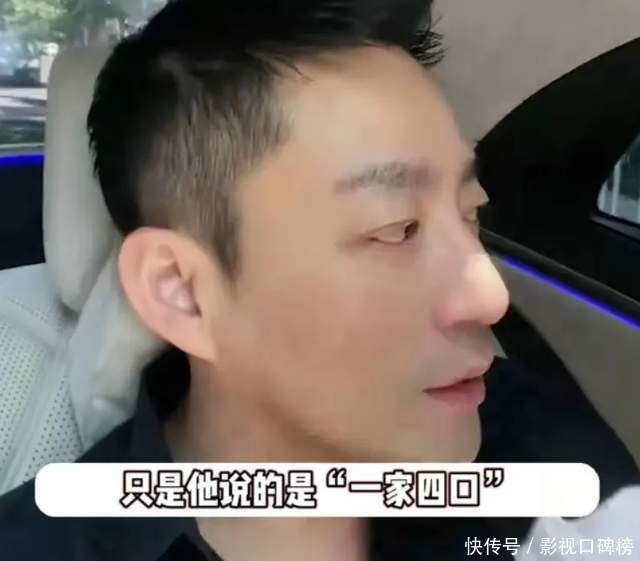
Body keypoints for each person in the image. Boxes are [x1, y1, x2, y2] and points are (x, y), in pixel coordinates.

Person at [0, 0, 511, 560]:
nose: (491, 297)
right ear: (183, 293)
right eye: (397, 230)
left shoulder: (533, 458)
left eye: (471, 211)